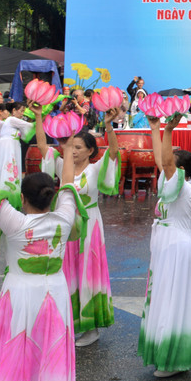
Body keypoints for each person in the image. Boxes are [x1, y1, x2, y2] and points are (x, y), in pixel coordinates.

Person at [0, 126, 75, 381]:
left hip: (19, 293)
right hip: (55, 294)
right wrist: (67, 149)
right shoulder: (65, 218)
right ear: (52, 197)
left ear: (22, 197)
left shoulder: (15, 223)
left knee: (16, 352)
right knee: (50, 354)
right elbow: (69, 185)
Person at [36, 103, 123, 346]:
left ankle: (91, 327)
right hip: (65, 224)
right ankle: (68, 323)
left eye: (78, 147)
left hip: (89, 225)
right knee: (65, 272)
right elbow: (43, 146)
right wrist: (39, 116)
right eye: (69, 146)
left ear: (90, 151)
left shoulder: (96, 169)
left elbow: (113, 152)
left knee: (87, 273)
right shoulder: (61, 164)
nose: (72, 150)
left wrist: (108, 126)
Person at [138, 114, 191, 377]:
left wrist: (168, 130)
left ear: (181, 169)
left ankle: (173, 358)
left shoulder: (186, 188)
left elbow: (165, 162)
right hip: (166, 247)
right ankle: (166, 354)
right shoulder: (171, 181)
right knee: (163, 298)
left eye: (172, 162)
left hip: (177, 248)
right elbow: (161, 160)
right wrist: (155, 129)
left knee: (173, 301)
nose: (166, 164)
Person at [0, 102, 35, 187]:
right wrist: (40, 117)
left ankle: (13, 186)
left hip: (14, 146)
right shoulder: (11, 120)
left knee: (13, 165)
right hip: (8, 146)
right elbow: (30, 126)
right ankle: (6, 187)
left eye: (24, 111)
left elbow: (25, 136)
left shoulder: (16, 122)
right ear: (14, 110)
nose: (22, 113)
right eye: (21, 111)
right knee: (8, 165)